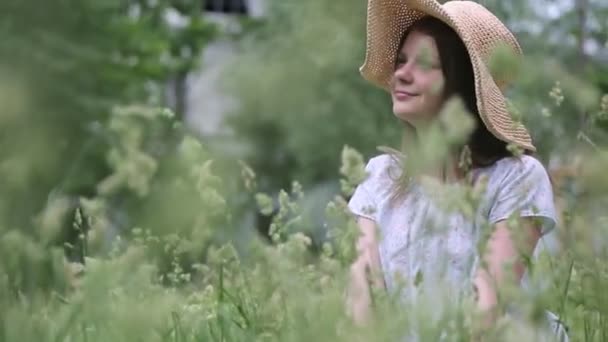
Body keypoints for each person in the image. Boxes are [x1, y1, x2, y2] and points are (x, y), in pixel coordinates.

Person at [346, 0, 569, 340]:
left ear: (461, 85)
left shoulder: (517, 178)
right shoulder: (381, 177)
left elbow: (485, 312)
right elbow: (361, 307)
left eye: (423, 64)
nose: (401, 74)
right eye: (401, 61)